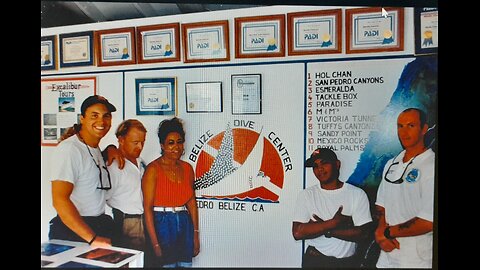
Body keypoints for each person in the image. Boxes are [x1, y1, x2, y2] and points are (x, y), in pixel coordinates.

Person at [49, 95, 117, 247]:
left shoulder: (94, 148)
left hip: (98, 224)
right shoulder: (69, 150)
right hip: (73, 231)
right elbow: (60, 200)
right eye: (94, 115)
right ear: (82, 118)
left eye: (106, 116)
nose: (101, 121)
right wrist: (92, 239)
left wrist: (112, 148)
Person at [292, 148, 373, 268]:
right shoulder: (307, 195)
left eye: (324, 163)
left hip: (348, 263)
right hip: (316, 261)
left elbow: (363, 234)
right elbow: (298, 232)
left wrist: (326, 230)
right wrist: (333, 223)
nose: (320, 169)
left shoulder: (356, 193)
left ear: (337, 164)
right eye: (315, 166)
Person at [374, 108, 435, 268]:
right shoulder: (392, 163)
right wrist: (380, 232)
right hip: (387, 257)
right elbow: (382, 205)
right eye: (400, 126)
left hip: (416, 260)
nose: (404, 132)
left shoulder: (431, 166)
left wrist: (387, 233)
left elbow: (429, 221)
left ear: (424, 129)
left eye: (411, 125)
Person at [142, 117, 200, 267]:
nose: (176, 147)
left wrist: (195, 235)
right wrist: (155, 244)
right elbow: (147, 209)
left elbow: (192, 203)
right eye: (171, 143)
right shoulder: (153, 170)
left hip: (184, 222)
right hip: (162, 223)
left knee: (185, 265)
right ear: (162, 145)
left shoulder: (187, 168)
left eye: (179, 141)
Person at [105, 119, 147, 251]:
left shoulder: (141, 162)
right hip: (126, 222)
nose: (140, 147)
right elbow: (103, 198)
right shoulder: (114, 166)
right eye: (135, 142)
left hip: (144, 221)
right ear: (121, 140)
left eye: (142, 142)